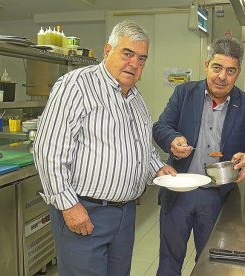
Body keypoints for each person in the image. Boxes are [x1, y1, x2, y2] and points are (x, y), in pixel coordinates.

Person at [34, 20, 176, 276]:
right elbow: (48, 151)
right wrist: (68, 206)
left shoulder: (136, 99)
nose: (134, 64)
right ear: (108, 51)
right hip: (86, 212)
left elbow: (142, 148)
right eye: (127, 54)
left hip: (125, 214)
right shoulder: (76, 86)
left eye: (142, 58)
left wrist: (158, 168)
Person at [153, 36, 245, 276]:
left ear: (238, 73)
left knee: (213, 264)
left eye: (230, 71)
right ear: (206, 64)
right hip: (180, 191)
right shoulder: (184, 93)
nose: (222, 76)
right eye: (217, 67)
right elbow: (161, 127)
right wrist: (172, 140)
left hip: (218, 198)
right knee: (169, 262)